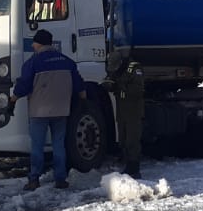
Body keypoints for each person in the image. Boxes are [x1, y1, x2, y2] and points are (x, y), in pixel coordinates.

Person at [11, 29, 86, 190]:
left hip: (39, 111)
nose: (32, 45)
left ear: (39, 43)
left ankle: (34, 178)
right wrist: (82, 97)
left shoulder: (32, 63)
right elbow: (79, 85)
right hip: (61, 111)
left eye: (34, 42)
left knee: (37, 146)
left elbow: (24, 85)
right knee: (59, 145)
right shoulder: (67, 61)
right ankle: (60, 179)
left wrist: (13, 99)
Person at [103, 52, 145, 178]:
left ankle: (134, 168)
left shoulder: (134, 68)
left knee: (132, 140)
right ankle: (127, 164)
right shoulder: (115, 71)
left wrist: (118, 87)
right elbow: (111, 81)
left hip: (133, 110)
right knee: (123, 139)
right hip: (122, 110)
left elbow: (137, 90)